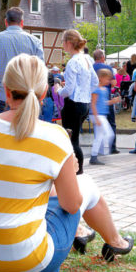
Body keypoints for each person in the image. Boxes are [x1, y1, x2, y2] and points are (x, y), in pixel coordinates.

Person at [0, 54, 133, 272]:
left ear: (5, 88)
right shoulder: (54, 136)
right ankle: (115, 242)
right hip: (25, 262)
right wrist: (68, 170)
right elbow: (72, 206)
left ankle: (86, 234)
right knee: (87, 184)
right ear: (44, 92)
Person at [0, 7, 44, 112]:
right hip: (27, 98)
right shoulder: (35, 42)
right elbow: (41, 72)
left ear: (6, 22)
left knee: (3, 128)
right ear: (22, 22)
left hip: (2, 96)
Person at [55, 30, 98, 174]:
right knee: (75, 139)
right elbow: (95, 82)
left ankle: (75, 171)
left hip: (73, 104)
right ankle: (77, 171)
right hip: (84, 104)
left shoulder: (73, 62)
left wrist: (58, 90)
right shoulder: (86, 59)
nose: (62, 45)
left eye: (62, 42)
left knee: (71, 140)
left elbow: (69, 89)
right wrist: (86, 92)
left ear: (68, 43)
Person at [89, 69, 121, 165]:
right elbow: (93, 104)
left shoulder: (105, 90)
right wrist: (96, 118)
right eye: (107, 79)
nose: (108, 81)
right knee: (109, 134)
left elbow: (103, 103)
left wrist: (113, 101)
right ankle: (99, 153)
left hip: (102, 115)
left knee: (100, 136)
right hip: (98, 115)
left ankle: (95, 156)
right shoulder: (96, 89)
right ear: (101, 78)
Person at [93, 49, 119, 154]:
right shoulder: (107, 68)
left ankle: (100, 149)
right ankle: (112, 148)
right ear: (103, 57)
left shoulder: (91, 67)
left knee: (97, 127)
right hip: (105, 97)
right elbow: (114, 83)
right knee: (111, 122)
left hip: (93, 97)